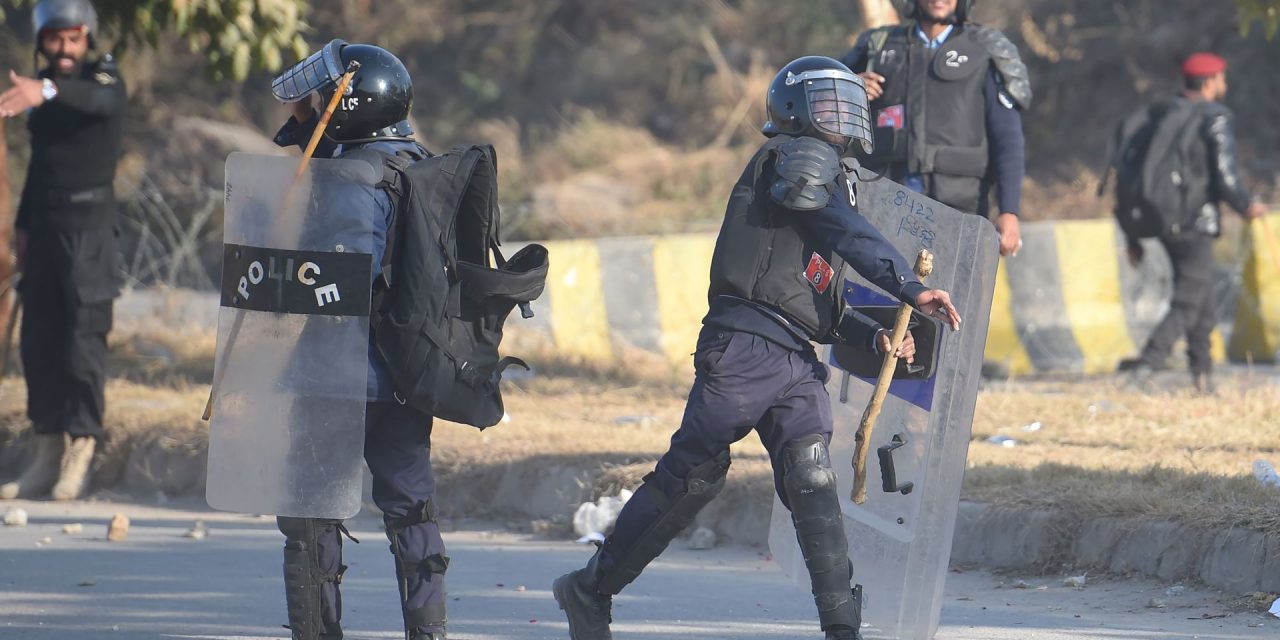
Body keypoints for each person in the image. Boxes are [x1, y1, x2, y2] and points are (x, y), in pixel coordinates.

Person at [551, 56, 963, 640]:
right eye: (827, 104)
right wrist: (910, 286)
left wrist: (868, 333)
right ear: (794, 112)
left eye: (846, 104)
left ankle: (842, 628)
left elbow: (816, 289)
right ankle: (589, 589)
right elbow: (841, 233)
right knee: (691, 478)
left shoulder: (822, 183)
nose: (841, 116)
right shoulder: (793, 159)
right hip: (745, 344)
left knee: (813, 480)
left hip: (796, 359)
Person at [267, 41, 446, 640]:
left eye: (321, 100)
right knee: (411, 508)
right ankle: (429, 630)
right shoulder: (415, 161)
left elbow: (344, 275)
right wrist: (302, 130)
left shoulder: (350, 177)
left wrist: (279, 282)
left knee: (312, 512)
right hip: (406, 370)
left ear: (352, 105)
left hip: (337, 372)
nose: (312, 107)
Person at [0, 0, 125, 502]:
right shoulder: (45, 93)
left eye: (73, 38)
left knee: (83, 342)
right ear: (42, 42)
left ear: (87, 39)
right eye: (55, 39)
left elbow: (99, 105)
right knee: (40, 340)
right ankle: (46, 446)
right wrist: (23, 229)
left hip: (89, 229)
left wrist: (44, 90)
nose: (64, 48)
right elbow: (41, 168)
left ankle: (81, 446)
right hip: (47, 227)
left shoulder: (103, 80)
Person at [1119, 52, 1266, 393]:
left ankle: (1203, 375)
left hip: (1159, 218)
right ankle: (1146, 366)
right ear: (1211, 82)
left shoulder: (1162, 114)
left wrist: (1132, 235)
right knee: (1188, 300)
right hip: (1195, 221)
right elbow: (1225, 175)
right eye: (1222, 79)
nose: (1224, 85)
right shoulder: (1214, 117)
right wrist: (1246, 205)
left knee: (1201, 301)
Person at [839, 0, 1029, 257]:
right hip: (883, 206)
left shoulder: (985, 51)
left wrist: (1009, 210)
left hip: (959, 212)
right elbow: (819, 104)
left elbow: (1007, 139)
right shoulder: (878, 47)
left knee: (952, 296)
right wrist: (848, 86)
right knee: (877, 296)